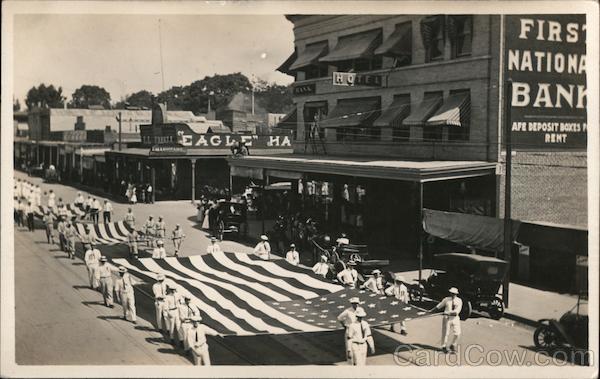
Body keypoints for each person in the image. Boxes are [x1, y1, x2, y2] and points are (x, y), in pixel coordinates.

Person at [428, 287, 463, 353]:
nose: (452, 295)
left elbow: (456, 312)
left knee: (457, 333)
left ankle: (453, 345)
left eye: (454, 294)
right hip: (447, 318)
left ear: (456, 294)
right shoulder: (446, 299)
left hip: (455, 318)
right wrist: (430, 311)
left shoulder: (459, 301)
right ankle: (443, 346)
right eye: (451, 293)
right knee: (445, 333)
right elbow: (439, 306)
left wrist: (448, 312)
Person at [337, 297, 366, 364]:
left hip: (358, 330)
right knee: (349, 348)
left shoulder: (361, 309)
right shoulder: (348, 311)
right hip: (350, 330)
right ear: (351, 304)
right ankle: (351, 364)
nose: (355, 305)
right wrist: (344, 325)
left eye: (356, 303)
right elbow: (339, 318)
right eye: (354, 303)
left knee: (359, 347)